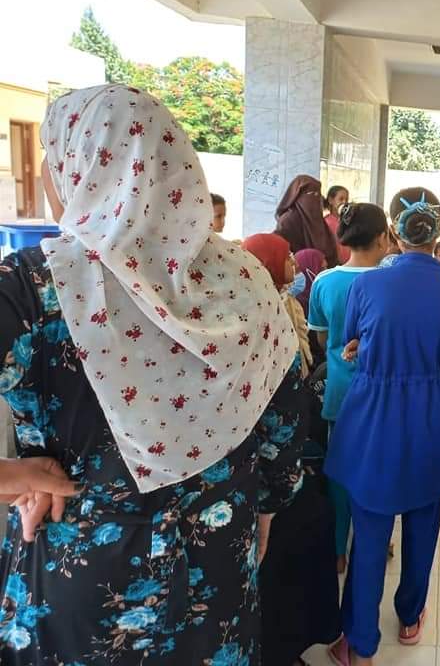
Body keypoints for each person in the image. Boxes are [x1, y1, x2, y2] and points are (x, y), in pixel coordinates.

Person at [0, 85, 304, 665]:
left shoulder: (33, 290)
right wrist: (263, 509)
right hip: (217, 561)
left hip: (81, 572)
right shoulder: (243, 278)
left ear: (80, 167)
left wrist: (16, 475)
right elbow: (284, 425)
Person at [327, 189, 440, 666]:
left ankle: (360, 645)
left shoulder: (366, 286)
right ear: (438, 234)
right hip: (431, 417)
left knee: (369, 535)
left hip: (375, 418)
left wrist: (367, 350)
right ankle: (410, 617)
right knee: (423, 527)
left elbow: (352, 338)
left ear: (394, 231)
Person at [243, 235, 341, 666]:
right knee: (292, 538)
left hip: (273, 456)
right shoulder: (258, 316)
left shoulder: (280, 305)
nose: (294, 265)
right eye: (285, 257)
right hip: (262, 464)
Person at [307, 203, 390, 575]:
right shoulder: (390, 282)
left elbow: (322, 338)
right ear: (383, 238)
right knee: (378, 468)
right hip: (382, 395)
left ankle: (338, 549)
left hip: (340, 391)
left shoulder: (324, 282)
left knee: (338, 472)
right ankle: (375, 543)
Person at [243, 234, 313, 378]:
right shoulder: (258, 310)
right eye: (287, 257)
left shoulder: (281, 299)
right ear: (269, 263)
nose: (295, 263)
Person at [275, 174, 340, 268]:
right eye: (311, 194)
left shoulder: (317, 218)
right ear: (298, 196)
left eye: (317, 194)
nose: (315, 198)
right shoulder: (288, 220)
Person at [324, 186, 352, 266]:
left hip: (350, 264)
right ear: (331, 200)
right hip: (336, 264)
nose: (344, 202)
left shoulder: (349, 221)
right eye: (341, 199)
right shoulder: (326, 222)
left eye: (346, 199)